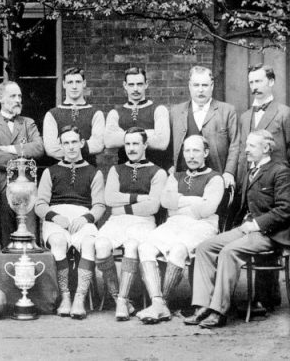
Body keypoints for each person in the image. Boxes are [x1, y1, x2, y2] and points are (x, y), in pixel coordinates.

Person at [185, 130, 290, 328]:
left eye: (251, 146)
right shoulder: (250, 170)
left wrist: (257, 224)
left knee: (229, 252)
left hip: (270, 233)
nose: (246, 150)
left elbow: (286, 209)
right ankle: (202, 306)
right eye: (246, 145)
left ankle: (219, 311)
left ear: (266, 148)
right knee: (204, 247)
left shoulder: (280, 170)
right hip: (247, 228)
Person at [136, 135, 224, 324]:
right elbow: (166, 202)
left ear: (206, 153)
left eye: (196, 151)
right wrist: (194, 201)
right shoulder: (176, 176)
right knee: (145, 247)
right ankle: (157, 303)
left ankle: (162, 303)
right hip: (174, 223)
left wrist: (179, 201)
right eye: (187, 151)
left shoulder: (215, 178)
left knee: (178, 249)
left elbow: (207, 209)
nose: (191, 156)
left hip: (203, 225)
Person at [94, 127, 167, 321]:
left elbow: (152, 206)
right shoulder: (116, 170)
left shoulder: (158, 172)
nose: (131, 148)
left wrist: (123, 207)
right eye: (127, 144)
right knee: (100, 245)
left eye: (136, 143)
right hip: (116, 221)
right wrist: (138, 198)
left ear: (145, 145)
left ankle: (122, 301)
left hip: (143, 221)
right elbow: (109, 198)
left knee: (133, 246)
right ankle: (118, 296)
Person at [34, 125, 105, 318]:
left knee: (89, 242)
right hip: (56, 217)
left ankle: (79, 298)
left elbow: (99, 205)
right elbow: (39, 204)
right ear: (61, 146)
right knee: (58, 241)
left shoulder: (94, 172)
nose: (71, 147)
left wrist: (86, 218)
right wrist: (55, 217)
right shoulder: (51, 171)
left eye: (74, 142)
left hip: (83, 216)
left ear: (82, 143)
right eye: (66, 143)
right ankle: (65, 296)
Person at [237, 64, 290, 311]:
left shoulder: (284, 113)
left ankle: (266, 298)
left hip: (277, 184)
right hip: (253, 182)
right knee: (253, 232)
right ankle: (260, 297)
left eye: (259, 81)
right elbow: (242, 151)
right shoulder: (246, 116)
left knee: (268, 232)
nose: (255, 87)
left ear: (271, 82)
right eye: (251, 83)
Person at [0, 81, 44, 248]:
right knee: (7, 238)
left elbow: (38, 148)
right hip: (2, 185)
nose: (17, 100)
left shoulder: (28, 123)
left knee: (31, 236)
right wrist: (23, 156)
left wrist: (10, 148)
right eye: (13, 96)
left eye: (19, 96)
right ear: (0, 98)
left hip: (28, 186)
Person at [169, 66, 239, 189]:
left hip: (217, 178)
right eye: (196, 85)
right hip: (184, 177)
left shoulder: (227, 111)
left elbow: (235, 144)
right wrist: (170, 166)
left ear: (212, 86)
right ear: (189, 86)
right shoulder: (176, 112)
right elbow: (169, 144)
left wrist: (229, 172)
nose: (200, 90)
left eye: (205, 85)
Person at [105, 67, 170, 169]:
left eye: (139, 84)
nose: (135, 89)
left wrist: (122, 135)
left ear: (146, 84)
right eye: (131, 84)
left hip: (154, 169)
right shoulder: (115, 113)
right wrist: (150, 133)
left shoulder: (159, 110)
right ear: (125, 85)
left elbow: (162, 143)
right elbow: (109, 141)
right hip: (124, 170)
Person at [43, 67, 105, 166]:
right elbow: (51, 148)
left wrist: (66, 147)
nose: (74, 86)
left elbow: (98, 145)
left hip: (89, 171)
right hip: (61, 171)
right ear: (64, 84)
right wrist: (84, 147)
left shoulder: (96, 113)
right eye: (70, 82)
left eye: (78, 82)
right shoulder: (52, 114)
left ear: (84, 83)